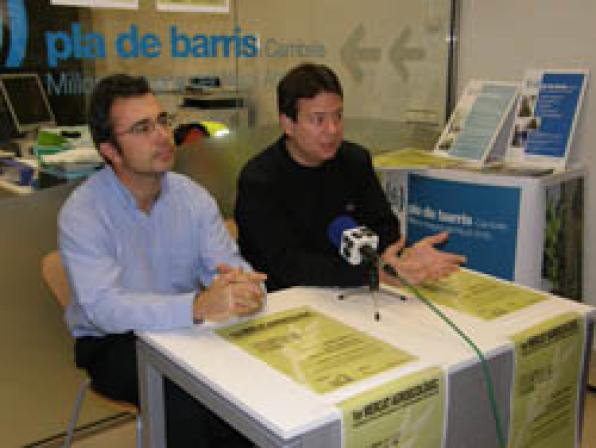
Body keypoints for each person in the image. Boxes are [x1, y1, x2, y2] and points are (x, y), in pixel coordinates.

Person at [59, 74, 266, 447]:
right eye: (142, 128)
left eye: (162, 121)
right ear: (110, 150)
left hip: (185, 327)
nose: (162, 136)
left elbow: (226, 263)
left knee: (249, 384)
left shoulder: (193, 198)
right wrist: (196, 307)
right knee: (185, 398)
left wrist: (244, 286)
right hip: (114, 341)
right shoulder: (83, 212)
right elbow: (105, 309)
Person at [235, 63, 465, 292]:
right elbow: (287, 265)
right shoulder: (259, 180)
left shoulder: (355, 161)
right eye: (318, 120)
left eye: (338, 116)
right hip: (285, 297)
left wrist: (403, 257)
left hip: (352, 289)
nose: (332, 129)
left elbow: (385, 227)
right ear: (288, 124)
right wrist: (374, 272)